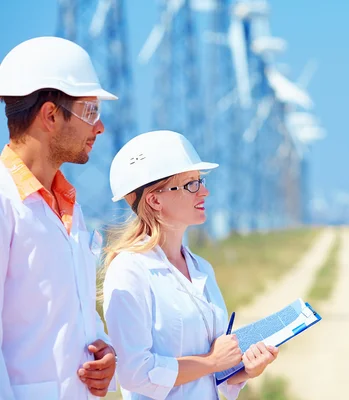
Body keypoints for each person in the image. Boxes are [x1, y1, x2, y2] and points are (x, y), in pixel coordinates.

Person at [102, 130, 279, 399]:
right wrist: (212, 361)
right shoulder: (129, 271)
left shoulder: (202, 268)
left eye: (200, 181)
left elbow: (212, 376)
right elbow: (134, 372)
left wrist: (243, 371)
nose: (205, 191)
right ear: (154, 199)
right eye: (190, 184)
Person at [0, 36, 118, 399]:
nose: (99, 128)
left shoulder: (70, 207)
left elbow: (69, 315)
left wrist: (105, 351)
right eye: (90, 112)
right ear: (50, 115)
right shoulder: (5, 202)